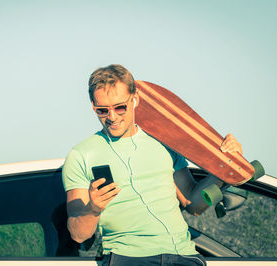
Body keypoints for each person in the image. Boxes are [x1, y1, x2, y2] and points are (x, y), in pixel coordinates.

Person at [62, 64, 243, 266]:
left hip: (184, 256)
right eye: (102, 110)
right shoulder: (81, 155)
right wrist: (93, 209)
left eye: (120, 107)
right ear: (93, 107)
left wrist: (224, 168)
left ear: (135, 100)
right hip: (126, 258)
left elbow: (193, 205)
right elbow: (78, 234)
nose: (111, 117)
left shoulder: (165, 142)